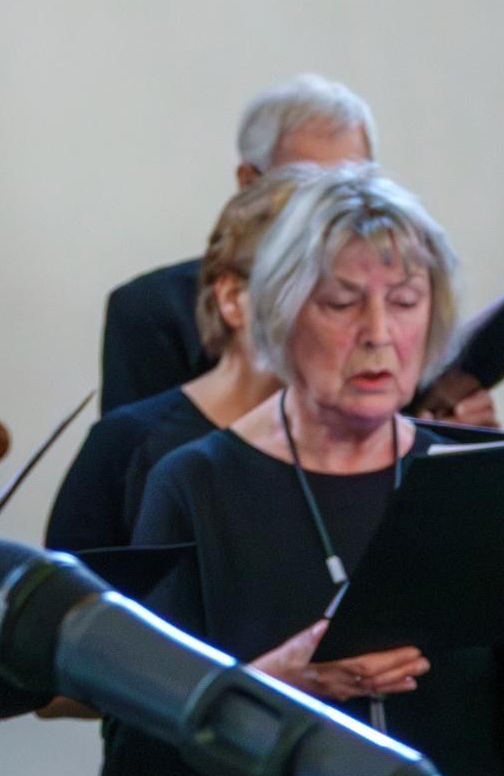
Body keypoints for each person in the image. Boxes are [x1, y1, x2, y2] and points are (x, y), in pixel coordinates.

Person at [122, 165, 504, 776]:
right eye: (341, 302)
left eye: (405, 302)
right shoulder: (195, 483)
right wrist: (284, 684)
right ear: (278, 309)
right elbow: (145, 747)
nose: (378, 332)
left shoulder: (473, 478)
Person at [47, 163, 318, 553]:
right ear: (231, 299)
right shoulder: (128, 447)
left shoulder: (375, 446)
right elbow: (70, 610)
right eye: (307, 287)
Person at [99, 73, 377, 412]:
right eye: (308, 187)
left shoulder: (388, 307)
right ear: (249, 182)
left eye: (356, 185)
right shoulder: (154, 311)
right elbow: (140, 452)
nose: (334, 208)